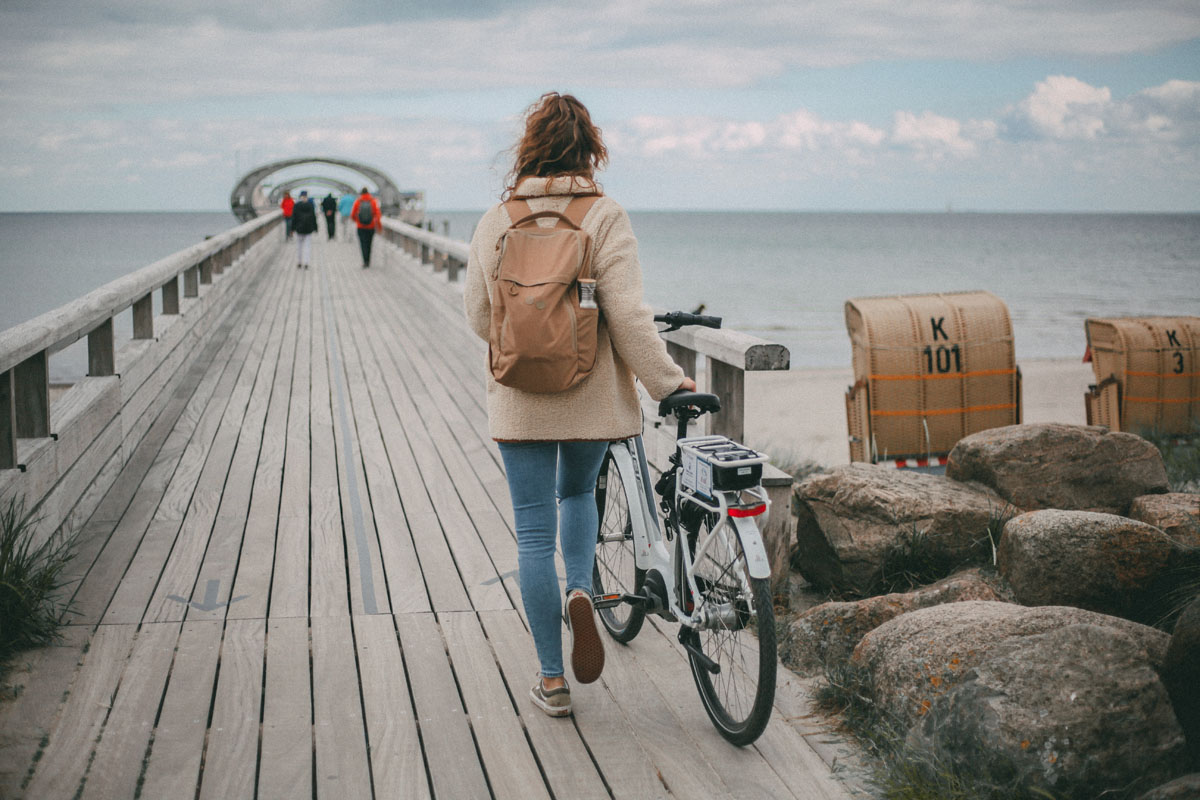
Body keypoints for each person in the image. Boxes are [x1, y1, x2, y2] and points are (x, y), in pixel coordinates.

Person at [463, 92, 696, 718]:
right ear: (590, 149)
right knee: (577, 495)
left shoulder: (497, 218)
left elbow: (479, 315)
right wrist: (669, 383)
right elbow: (627, 316)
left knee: (533, 535)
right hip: (591, 393)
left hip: (519, 399)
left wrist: (523, 350)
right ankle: (580, 589)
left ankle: (552, 681)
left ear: (529, 149)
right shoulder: (606, 216)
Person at [351, 187, 382, 267]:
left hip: (360, 227)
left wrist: (357, 221)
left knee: (363, 244)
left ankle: (365, 261)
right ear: (368, 193)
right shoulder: (373, 201)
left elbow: (353, 214)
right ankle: (368, 260)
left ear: (361, 193)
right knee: (369, 244)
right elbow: (377, 215)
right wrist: (379, 227)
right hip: (370, 226)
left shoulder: (358, 201)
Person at [291, 190, 318, 268]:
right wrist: (316, 228)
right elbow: (313, 217)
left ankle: (299, 261)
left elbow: (294, 218)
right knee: (307, 246)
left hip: (299, 228)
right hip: (308, 228)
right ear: (307, 196)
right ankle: (306, 262)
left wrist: (292, 229)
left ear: (300, 196)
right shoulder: (310, 205)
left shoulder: (296, 205)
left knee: (299, 246)